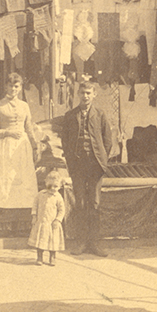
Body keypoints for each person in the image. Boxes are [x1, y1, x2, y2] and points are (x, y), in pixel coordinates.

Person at [59, 82, 115, 257]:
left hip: (95, 165)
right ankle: (81, 242)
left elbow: (108, 140)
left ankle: (94, 243)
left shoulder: (99, 115)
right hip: (78, 165)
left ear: (94, 94)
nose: (85, 96)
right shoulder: (70, 116)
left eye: (88, 93)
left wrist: (102, 159)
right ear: (78, 94)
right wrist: (70, 159)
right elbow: (65, 141)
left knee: (95, 203)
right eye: (82, 92)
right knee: (81, 203)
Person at [0, 73, 41, 213]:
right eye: (10, 86)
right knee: (5, 179)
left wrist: (35, 146)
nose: (13, 89)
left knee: (22, 179)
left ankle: (22, 217)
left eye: (16, 86)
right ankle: (3, 217)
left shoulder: (24, 106)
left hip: (22, 147)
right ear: (5, 86)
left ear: (20, 87)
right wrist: (7, 132)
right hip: (4, 147)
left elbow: (28, 127)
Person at [29, 173, 66, 266]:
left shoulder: (58, 197)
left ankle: (52, 257)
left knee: (53, 241)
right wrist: (34, 216)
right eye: (50, 186)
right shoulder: (40, 194)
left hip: (53, 224)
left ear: (60, 186)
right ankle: (39, 257)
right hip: (42, 222)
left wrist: (58, 220)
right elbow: (35, 205)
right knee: (40, 240)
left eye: (56, 186)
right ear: (46, 184)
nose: (53, 188)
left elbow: (62, 210)